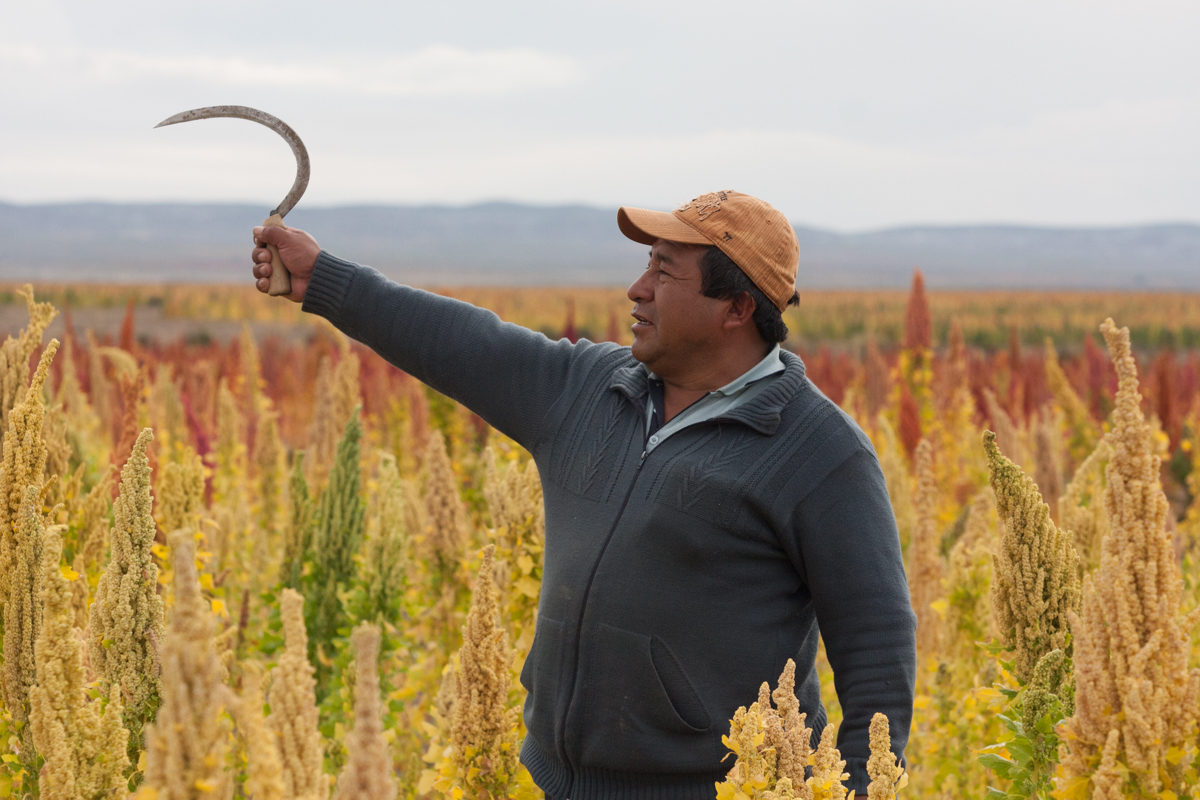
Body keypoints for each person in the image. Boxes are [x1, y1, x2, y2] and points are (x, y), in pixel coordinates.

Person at [251, 190, 916, 800]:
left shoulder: (820, 452)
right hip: (555, 782)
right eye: (646, 266)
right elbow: (466, 344)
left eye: (664, 272)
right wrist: (322, 279)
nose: (638, 289)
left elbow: (878, 656)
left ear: (737, 310)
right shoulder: (591, 389)